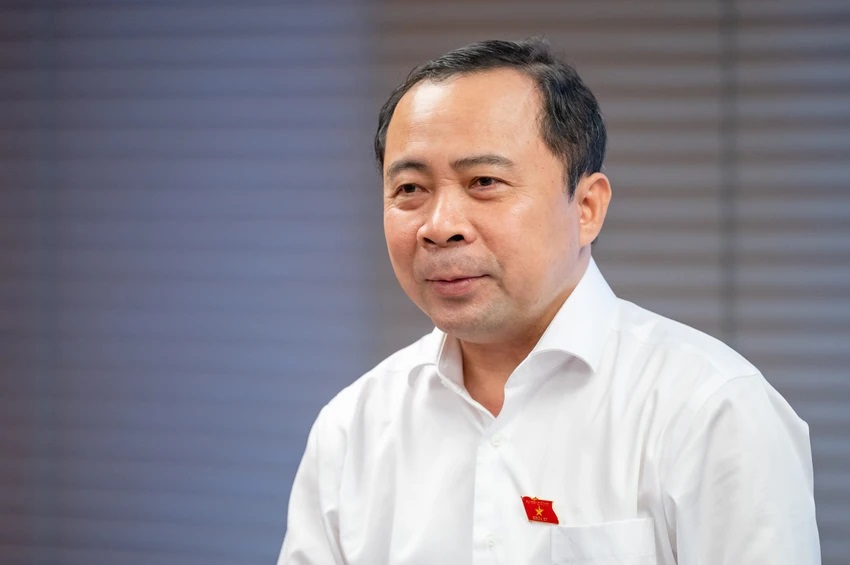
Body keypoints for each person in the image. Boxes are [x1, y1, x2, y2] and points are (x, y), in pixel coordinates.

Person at [278, 38, 820, 565]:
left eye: (484, 181)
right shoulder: (352, 428)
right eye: (410, 189)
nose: (440, 226)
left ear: (586, 208)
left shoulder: (711, 411)